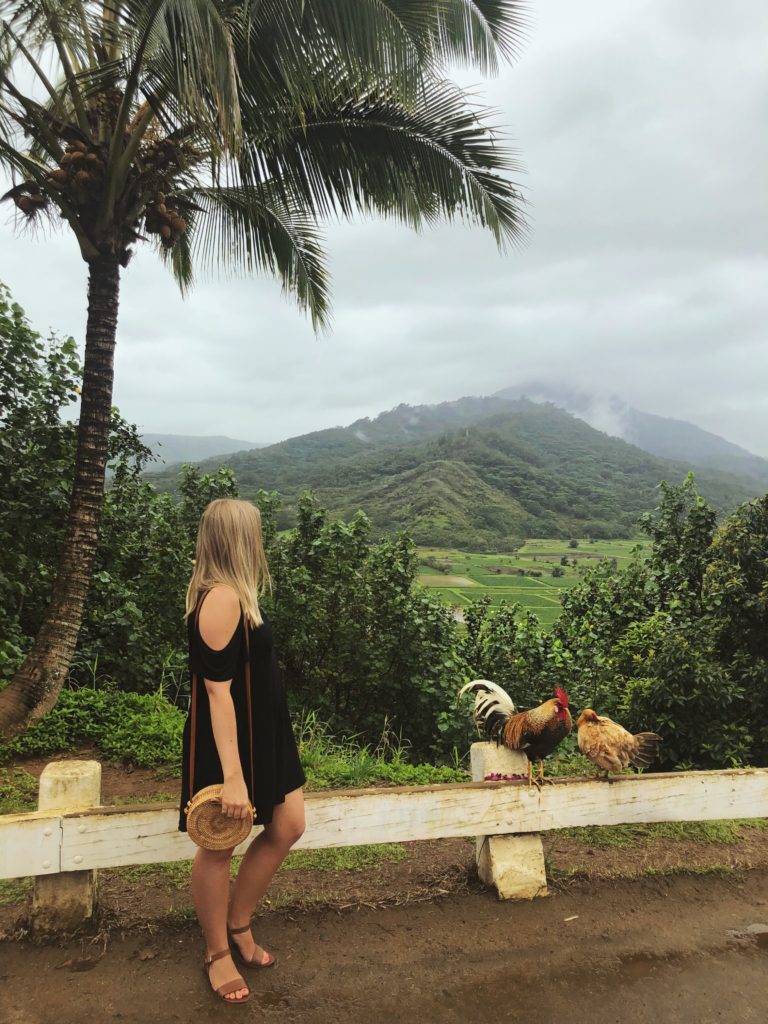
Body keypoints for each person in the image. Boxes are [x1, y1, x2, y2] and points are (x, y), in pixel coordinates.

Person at [178, 498, 306, 1004]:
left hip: (266, 734)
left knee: (289, 824)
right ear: (238, 539)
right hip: (231, 745)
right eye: (255, 532)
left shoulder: (238, 593)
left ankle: (238, 922)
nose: (261, 541)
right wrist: (233, 776)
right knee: (218, 844)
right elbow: (216, 692)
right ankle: (217, 952)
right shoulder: (222, 598)